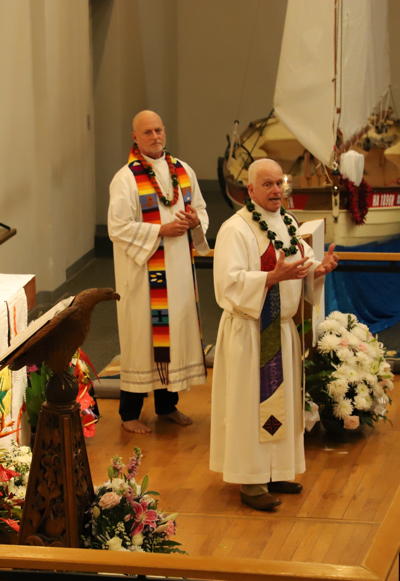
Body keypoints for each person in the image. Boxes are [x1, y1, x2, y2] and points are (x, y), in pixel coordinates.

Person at [210, 158, 338, 510]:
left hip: (280, 330)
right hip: (249, 332)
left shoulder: (285, 223)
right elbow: (227, 284)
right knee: (249, 405)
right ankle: (251, 480)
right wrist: (269, 278)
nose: (276, 190)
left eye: (279, 182)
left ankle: (277, 469)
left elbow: (302, 264)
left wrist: (318, 269)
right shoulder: (234, 229)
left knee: (283, 404)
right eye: (266, 184)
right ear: (249, 190)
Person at [108, 110, 209, 434]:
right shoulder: (126, 178)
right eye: (147, 132)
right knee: (142, 342)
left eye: (159, 130)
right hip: (143, 276)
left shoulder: (182, 170)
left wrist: (196, 223)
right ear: (135, 137)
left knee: (174, 337)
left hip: (177, 271)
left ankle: (168, 406)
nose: (155, 136)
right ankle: (129, 414)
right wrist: (159, 230)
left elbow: (202, 210)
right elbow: (117, 226)